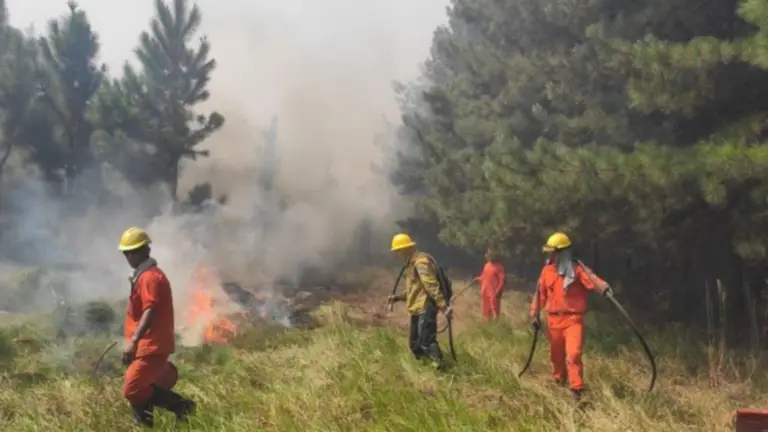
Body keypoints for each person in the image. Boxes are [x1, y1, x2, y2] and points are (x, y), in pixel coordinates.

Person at [119, 227, 196, 426]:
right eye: (126, 253)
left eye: (132, 252)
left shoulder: (150, 277)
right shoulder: (143, 275)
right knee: (142, 387)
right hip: (145, 345)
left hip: (151, 344)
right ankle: (144, 425)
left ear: (145, 251)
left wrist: (134, 340)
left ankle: (183, 406)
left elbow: (150, 309)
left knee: (133, 388)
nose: (128, 257)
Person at [529, 232, 612, 401]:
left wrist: (604, 288)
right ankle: (559, 379)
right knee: (556, 355)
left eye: (553, 252)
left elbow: (593, 280)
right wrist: (534, 314)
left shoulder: (577, 269)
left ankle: (576, 389)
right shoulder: (546, 271)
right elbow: (540, 294)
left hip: (573, 320)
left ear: (562, 252)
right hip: (553, 321)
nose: (550, 256)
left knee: (573, 354)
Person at [387, 233, 452, 369]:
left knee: (426, 341)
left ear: (405, 249)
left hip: (425, 307)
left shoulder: (421, 263)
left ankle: (440, 367)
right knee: (415, 345)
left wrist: (443, 306)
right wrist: (398, 297)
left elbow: (431, 285)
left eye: (398, 251)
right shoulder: (411, 265)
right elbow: (414, 289)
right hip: (417, 308)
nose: (396, 255)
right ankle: (424, 368)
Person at [475, 248, 506, 320]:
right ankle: (487, 324)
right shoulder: (486, 265)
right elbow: (484, 276)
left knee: (494, 311)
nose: (487, 256)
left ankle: (495, 324)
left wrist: (497, 292)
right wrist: (478, 278)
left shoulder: (499, 267)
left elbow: (502, 281)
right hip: (485, 292)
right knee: (486, 311)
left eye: (489, 254)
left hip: (493, 294)